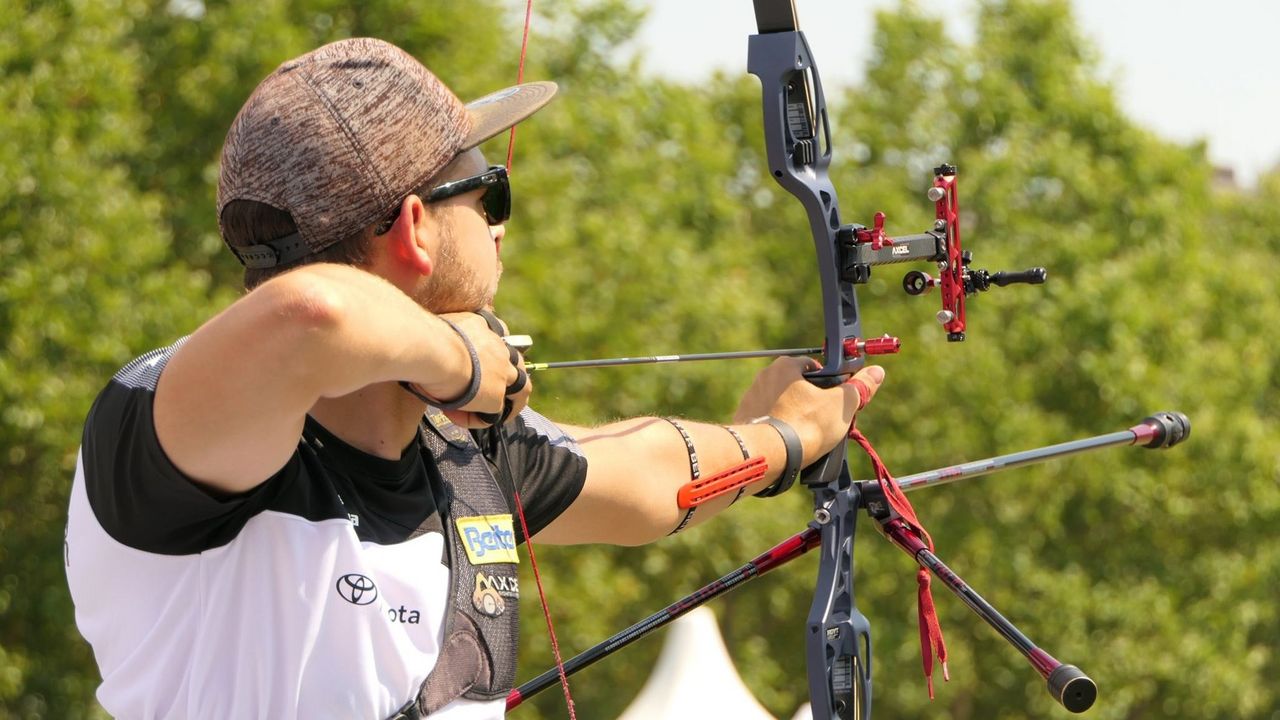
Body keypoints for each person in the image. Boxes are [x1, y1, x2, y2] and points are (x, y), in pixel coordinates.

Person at [64, 37, 883, 719]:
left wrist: (783, 437)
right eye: (489, 195)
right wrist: (456, 361)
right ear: (416, 229)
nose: (499, 229)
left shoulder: (460, 453)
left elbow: (643, 477)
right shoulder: (172, 433)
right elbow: (309, 314)